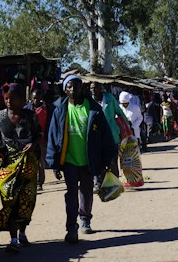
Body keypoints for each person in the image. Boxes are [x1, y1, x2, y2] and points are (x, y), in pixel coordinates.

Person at [46, 75, 118, 243]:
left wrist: (108, 159)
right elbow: (53, 137)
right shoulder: (59, 110)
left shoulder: (94, 109)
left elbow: (105, 135)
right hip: (69, 161)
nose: (73, 89)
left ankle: (85, 219)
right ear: (65, 90)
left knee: (86, 192)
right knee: (71, 195)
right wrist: (54, 163)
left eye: (76, 86)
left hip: (88, 161)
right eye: (69, 87)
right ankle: (71, 228)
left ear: (82, 88)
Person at [0, 83, 40, 253]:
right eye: (6, 99)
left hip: (28, 164)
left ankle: (22, 233)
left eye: (12, 98)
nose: (9, 102)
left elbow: (39, 134)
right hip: (7, 163)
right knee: (9, 199)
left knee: (26, 200)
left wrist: (33, 144)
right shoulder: (1, 115)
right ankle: (13, 239)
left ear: (22, 99)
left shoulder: (30, 115)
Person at [90, 82, 126, 191]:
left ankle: (115, 183)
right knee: (97, 160)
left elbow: (119, 113)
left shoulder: (110, 99)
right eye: (91, 88)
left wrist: (126, 127)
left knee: (112, 160)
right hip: (96, 135)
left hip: (112, 134)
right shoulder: (89, 101)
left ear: (101, 88)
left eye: (95, 87)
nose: (93, 90)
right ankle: (98, 183)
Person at [26, 89, 49, 191]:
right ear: (31, 98)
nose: (36, 100)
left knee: (41, 162)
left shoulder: (46, 109)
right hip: (30, 139)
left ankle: (40, 183)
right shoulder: (27, 109)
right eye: (34, 98)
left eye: (38, 98)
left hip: (42, 140)